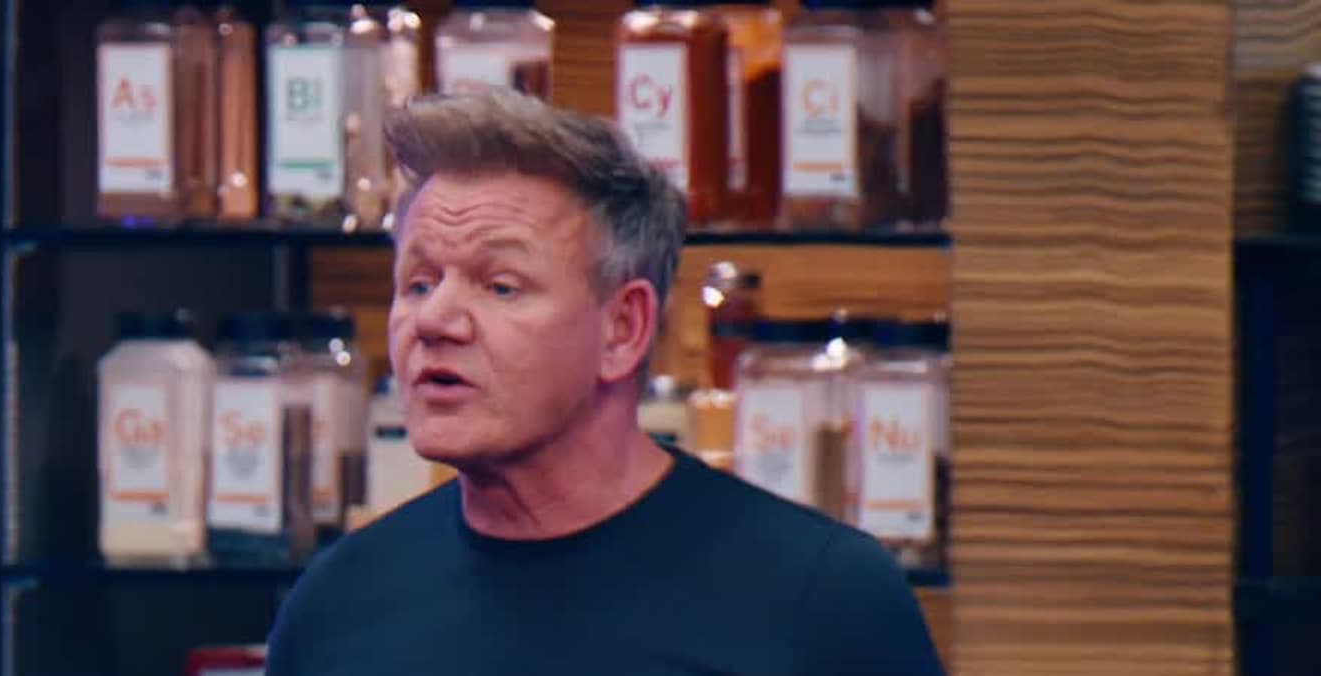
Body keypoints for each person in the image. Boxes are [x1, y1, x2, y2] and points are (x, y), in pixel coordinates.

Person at [265, 91, 945, 676]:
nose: (435, 321)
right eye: (418, 284)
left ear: (623, 328)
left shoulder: (824, 602)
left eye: (500, 286)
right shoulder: (335, 608)